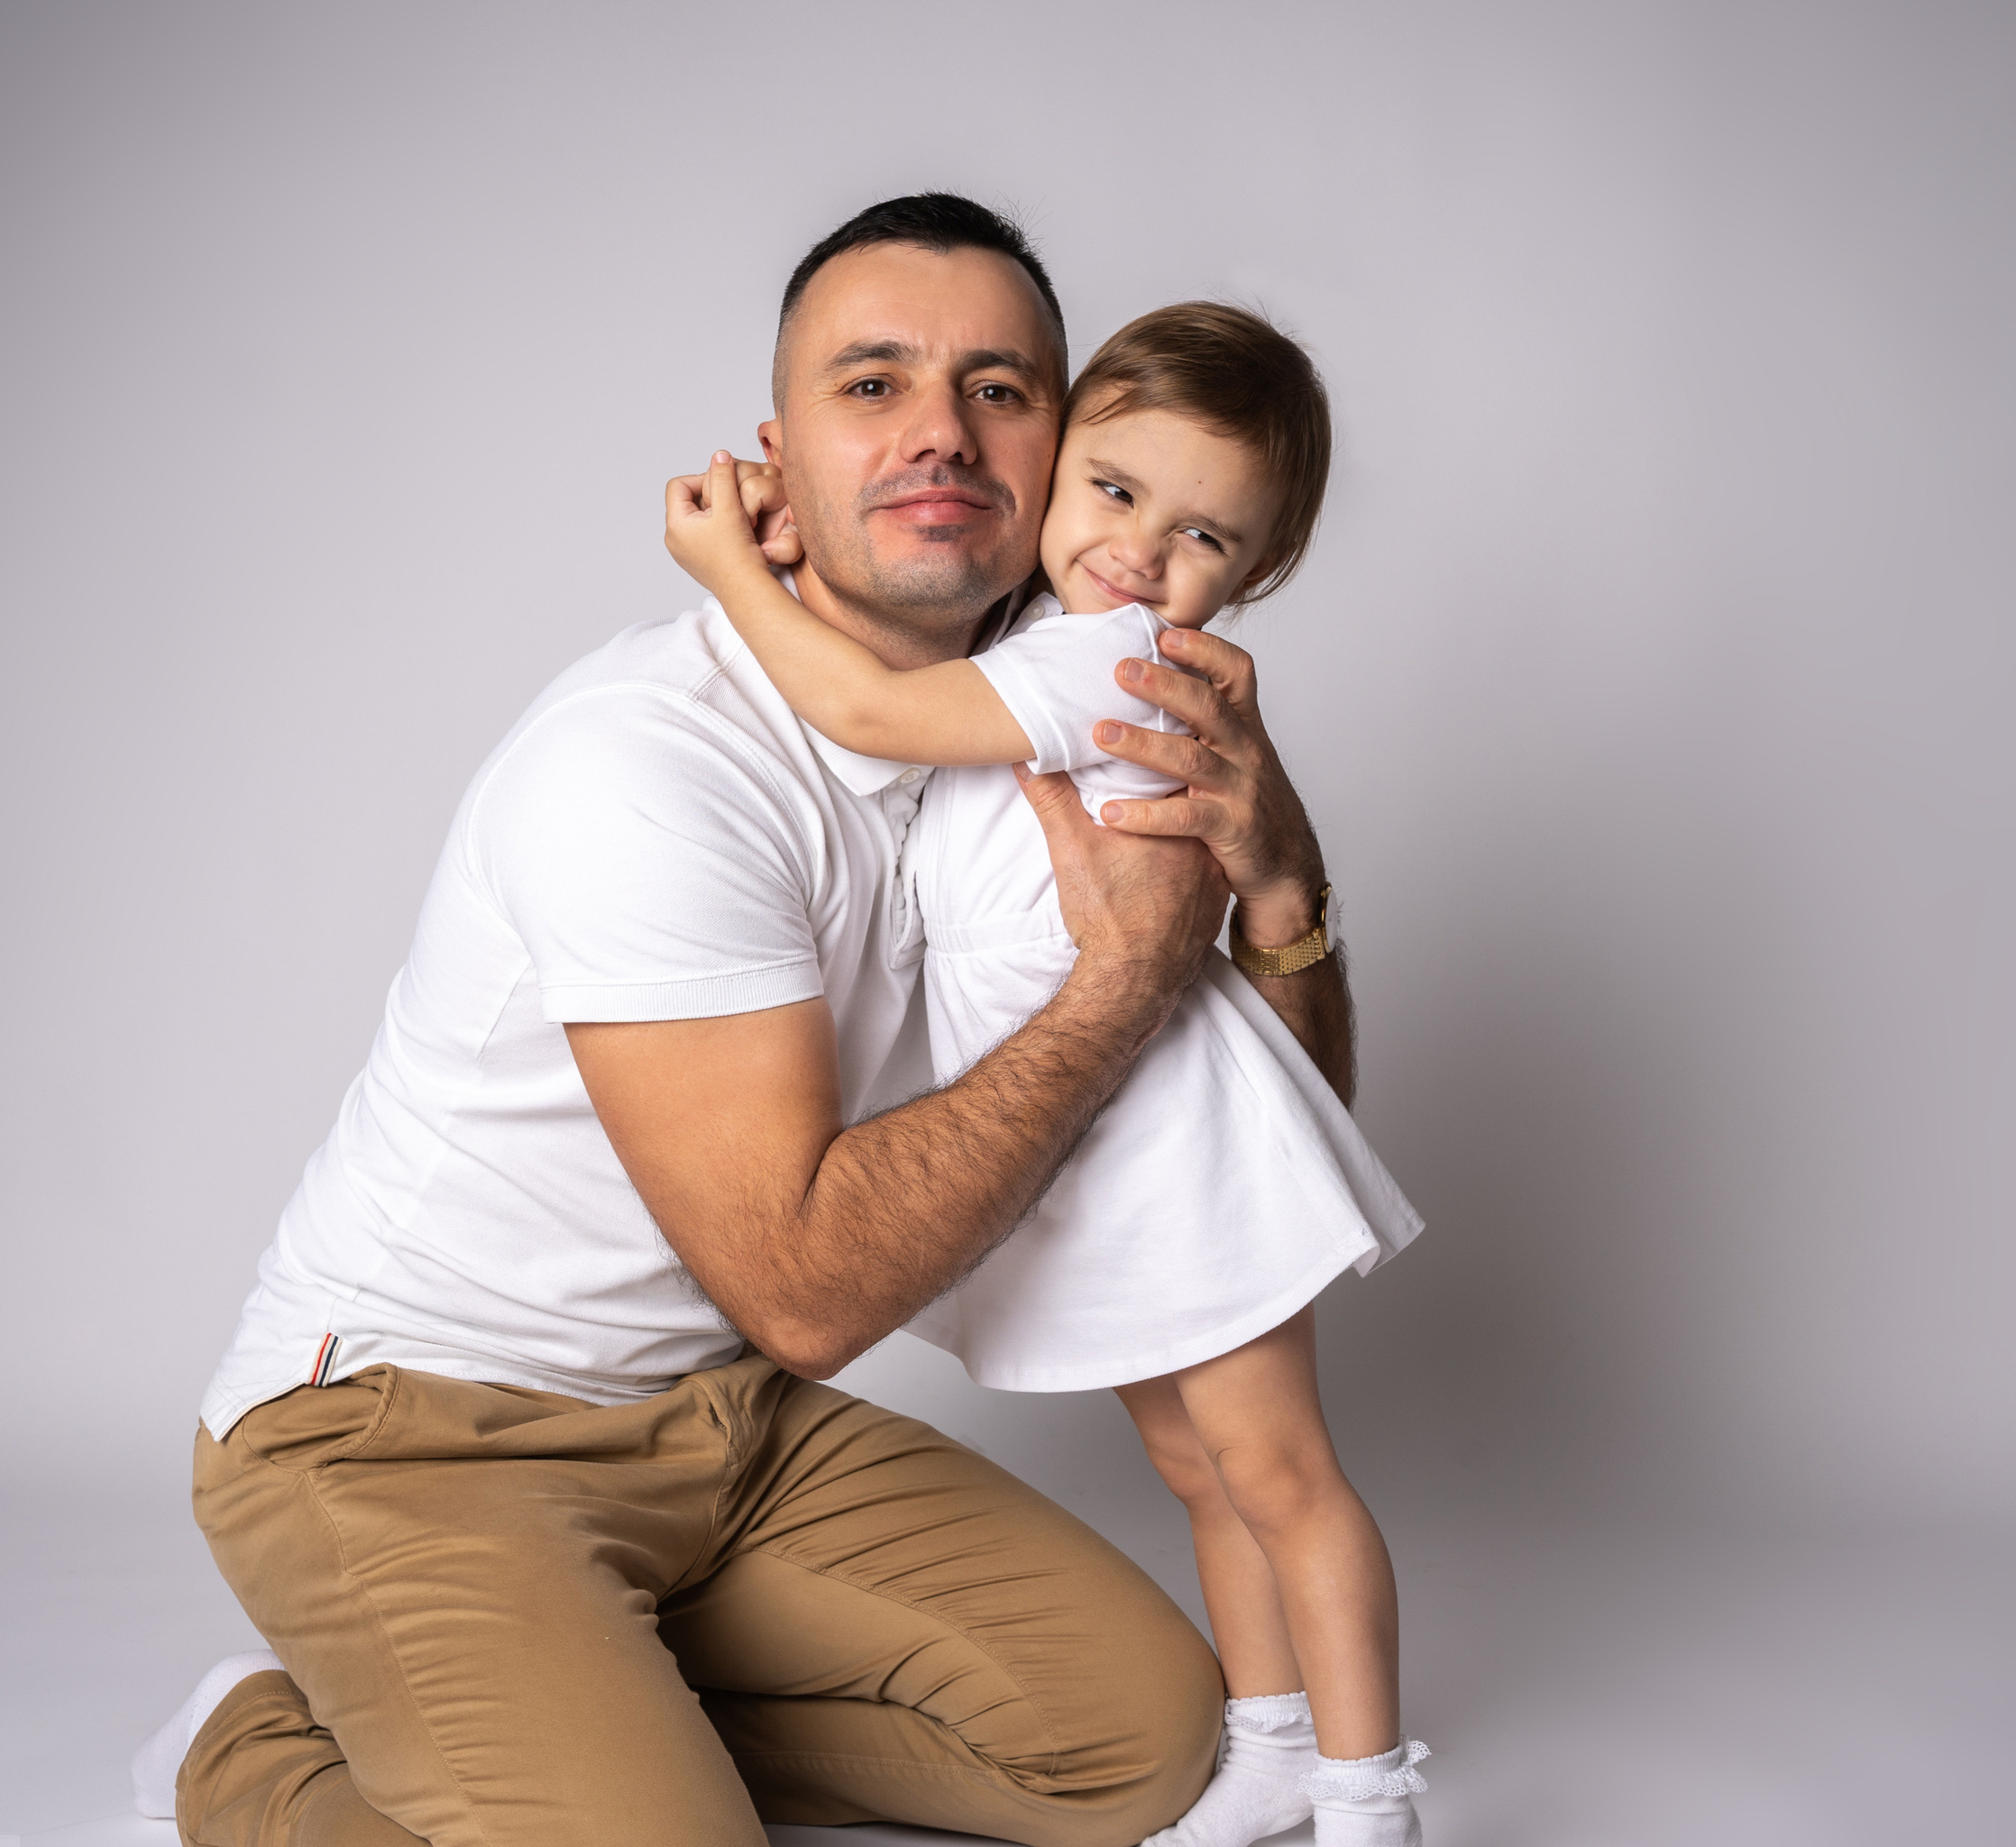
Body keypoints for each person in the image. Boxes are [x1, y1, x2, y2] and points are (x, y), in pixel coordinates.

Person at [130, 195, 1360, 1847]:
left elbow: (1266, 1158)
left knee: (1134, 1747)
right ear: (776, 453)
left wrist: (1284, 895)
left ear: (1067, 452)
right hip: (409, 1431)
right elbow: (805, 1288)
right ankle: (250, 1752)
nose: (940, 430)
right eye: (873, 385)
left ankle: (584, 1714)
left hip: (716, 1423)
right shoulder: (649, 767)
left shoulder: (1073, 709)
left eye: (1000, 388)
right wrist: (1129, 974)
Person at [662, 300, 1429, 1847]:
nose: (1144, 551)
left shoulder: (1112, 661)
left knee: (1279, 1469)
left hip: (1179, 1133)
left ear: (1257, 574)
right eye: (1119, 491)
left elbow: (871, 703)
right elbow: (893, 638)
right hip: (1099, 1130)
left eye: (1207, 535)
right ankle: (1272, 1747)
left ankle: (1372, 1795)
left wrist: (731, 568)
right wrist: (801, 524)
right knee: (1193, 1463)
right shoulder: (1034, 639)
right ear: (1059, 462)